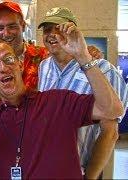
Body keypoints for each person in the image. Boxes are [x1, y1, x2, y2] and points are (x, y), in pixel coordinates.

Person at [0, 32, 124, 179]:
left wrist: (83, 57)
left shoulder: (57, 102)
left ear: (20, 64)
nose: (3, 68)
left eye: (8, 60)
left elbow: (112, 110)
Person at [37, 7, 128, 179]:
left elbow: (110, 132)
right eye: (47, 30)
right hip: (46, 168)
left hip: (81, 170)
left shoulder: (104, 71)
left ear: (72, 31)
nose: (51, 34)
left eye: (59, 28)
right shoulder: (44, 67)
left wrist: (90, 177)